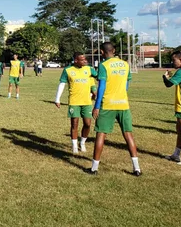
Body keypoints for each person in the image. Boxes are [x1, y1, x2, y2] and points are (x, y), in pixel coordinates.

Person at [88, 42, 141, 176]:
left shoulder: (103, 65)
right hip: (123, 104)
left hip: (108, 105)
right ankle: (137, 168)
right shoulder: (125, 64)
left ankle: (94, 168)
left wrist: (97, 106)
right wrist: (122, 92)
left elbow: (101, 87)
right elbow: (128, 81)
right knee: (128, 135)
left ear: (101, 52)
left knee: (101, 134)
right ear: (114, 50)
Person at [55, 53, 97, 153]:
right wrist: (57, 99)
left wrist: (95, 93)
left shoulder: (89, 69)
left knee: (87, 124)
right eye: (82, 59)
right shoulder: (68, 70)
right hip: (74, 101)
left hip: (87, 101)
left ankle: (82, 143)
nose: (84, 61)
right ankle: (74, 145)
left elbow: (98, 78)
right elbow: (62, 84)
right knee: (74, 123)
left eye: (84, 59)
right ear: (75, 60)